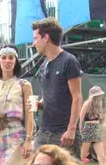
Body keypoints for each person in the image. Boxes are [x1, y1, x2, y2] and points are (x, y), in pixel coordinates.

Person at [31, 18, 83, 151]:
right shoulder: (43, 66)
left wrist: (71, 130)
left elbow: (77, 97)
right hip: (43, 132)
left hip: (63, 134)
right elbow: (50, 97)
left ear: (46, 38)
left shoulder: (69, 61)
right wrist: (38, 104)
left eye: (36, 38)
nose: (33, 43)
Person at [79, 85, 106, 165]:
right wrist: (80, 131)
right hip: (88, 129)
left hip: (96, 129)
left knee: (102, 157)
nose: (100, 97)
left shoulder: (99, 105)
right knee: (81, 157)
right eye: (98, 95)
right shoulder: (87, 104)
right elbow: (81, 118)